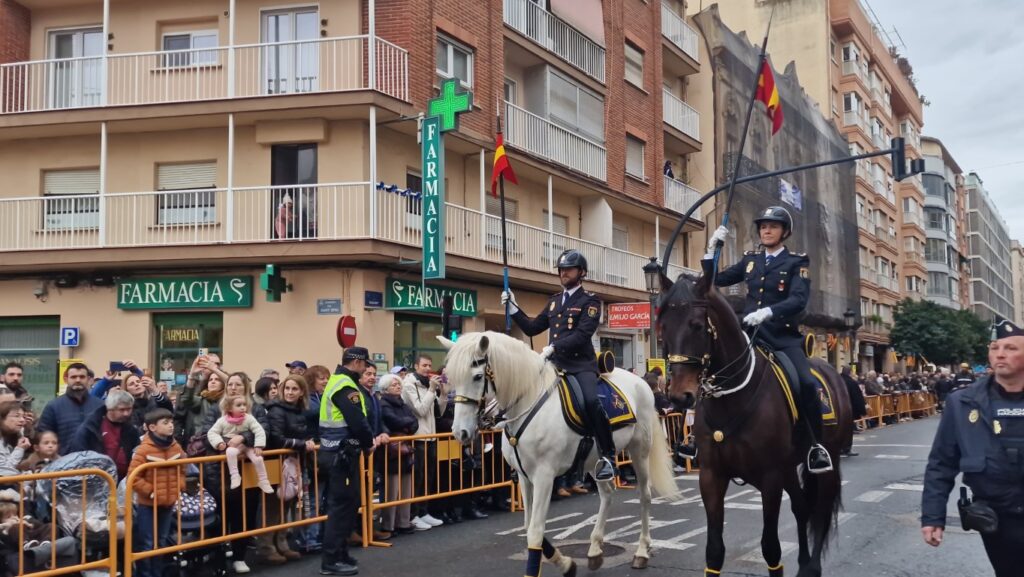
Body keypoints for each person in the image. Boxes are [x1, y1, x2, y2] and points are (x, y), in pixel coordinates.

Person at [686, 207, 832, 473]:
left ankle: (815, 445)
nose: (766, 230)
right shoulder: (750, 260)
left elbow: (799, 300)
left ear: (784, 232)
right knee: (710, 373)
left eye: (773, 226)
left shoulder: (797, 262)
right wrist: (711, 251)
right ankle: (697, 439)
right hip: (749, 335)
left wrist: (768, 312)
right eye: (763, 226)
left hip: (782, 337)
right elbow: (715, 280)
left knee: (806, 383)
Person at [501, 248, 617, 481]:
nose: (564, 273)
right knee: (522, 395)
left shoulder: (590, 301)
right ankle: (523, 456)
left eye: (569, 269)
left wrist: (554, 347)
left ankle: (608, 456)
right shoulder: (554, 302)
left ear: (581, 272)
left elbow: (583, 335)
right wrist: (513, 308)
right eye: (561, 269)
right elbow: (532, 328)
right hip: (553, 365)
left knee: (592, 402)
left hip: (580, 365)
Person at [922, 319, 1024, 577]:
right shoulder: (963, 402)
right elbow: (941, 463)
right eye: (995, 347)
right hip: (996, 517)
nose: (1000, 354)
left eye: (1011, 348)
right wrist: (933, 516)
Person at [319, 347, 376, 576]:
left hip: (338, 452)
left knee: (349, 504)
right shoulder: (344, 385)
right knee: (341, 506)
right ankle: (331, 560)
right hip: (339, 454)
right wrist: (368, 442)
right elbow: (357, 420)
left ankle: (341, 553)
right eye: (365, 364)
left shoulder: (340, 381)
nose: (366, 368)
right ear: (357, 362)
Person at [128, 409, 186, 577]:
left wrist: (179, 486)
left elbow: (183, 469)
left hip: (168, 503)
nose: (171, 426)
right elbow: (134, 476)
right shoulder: (144, 450)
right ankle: (145, 574)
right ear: (152, 427)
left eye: (171, 422)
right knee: (147, 543)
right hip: (148, 505)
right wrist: (151, 491)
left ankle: (157, 573)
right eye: (165, 423)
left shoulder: (176, 447)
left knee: (161, 541)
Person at [265, 374, 315, 561]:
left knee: (287, 504)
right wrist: (302, 444)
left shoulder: (299, 411)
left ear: (302, 392)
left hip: (293, 462)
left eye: (294, 389)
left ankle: (282, 543)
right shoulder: (276, 410)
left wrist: (306, 441)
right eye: (287, 388)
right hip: (276, 462)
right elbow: (277, 438)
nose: (290, 392)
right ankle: (267, 547)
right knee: (273, 507)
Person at [401, 355, 447, 527]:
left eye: (429, 365)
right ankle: (413, 515)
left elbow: (439, 412)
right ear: (416, 366)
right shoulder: (409, 384)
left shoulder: (429, 385)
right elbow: (420, 410)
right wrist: (431, 390)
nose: (428, 369)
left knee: (428, 475)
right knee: (417, 477)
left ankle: (423, 511)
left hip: (431, 436)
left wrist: (443, 393)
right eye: (424, 365)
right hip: (417, 437)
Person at [377, 374, 425, 533]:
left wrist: (406, 425)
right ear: (385, 389)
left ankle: (403, 522)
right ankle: (389, 525)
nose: (398, 386)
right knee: (391, 488)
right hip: (391, 451)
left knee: (405, 487)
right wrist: (407, 424)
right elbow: (394, 421)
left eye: (398, 384)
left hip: (405, 449)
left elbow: (415, 422)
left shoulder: (402, 403)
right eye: (394, 385)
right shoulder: (383, 404)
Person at [207, 395, 274, 493]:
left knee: (258, 458)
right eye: (239, 405)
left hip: (248, 445)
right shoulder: (222, 421)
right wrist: (219, 442)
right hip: (234, 446)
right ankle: (234, 475)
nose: (243, 407)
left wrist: (258, 445)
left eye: (244, 405)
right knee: (230, 452)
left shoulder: (249, 418)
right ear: (229, 408)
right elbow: (212, 432)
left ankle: (264, 480)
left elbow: (259, 430)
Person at [67, 390, 140, 480]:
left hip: (125, 481)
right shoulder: (90, 427)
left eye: (129, 409)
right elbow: (78, 455)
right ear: (110, 408)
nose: (126, 413)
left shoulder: (131, 429)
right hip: (96, 480)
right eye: (122, 410)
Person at [37, 363, 104, 455]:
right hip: (64, 461)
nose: (78, 380)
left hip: (96, 461)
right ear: (66, 379)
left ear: (88, 379)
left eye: (82, 377)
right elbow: (43, 436)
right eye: (73, 377)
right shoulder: (53, 406)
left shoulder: (100, 405)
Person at [0, 401, 28, 477]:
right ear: (2, 418)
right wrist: (20, 449)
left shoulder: (14, 435)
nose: (22, 420)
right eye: (17, 416)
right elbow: (4, 472)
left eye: (23, 417)